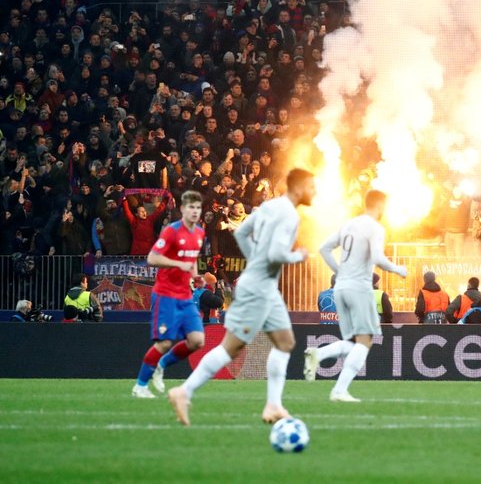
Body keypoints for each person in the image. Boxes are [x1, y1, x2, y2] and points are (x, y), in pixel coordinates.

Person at [168, 169, 316, 426]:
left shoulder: (269, 207)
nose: (315, 192)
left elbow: (240, 233)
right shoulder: (289, 215)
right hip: (259, 287)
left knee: (284, 341)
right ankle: (184, 391)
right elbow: (277, 254)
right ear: (299, 187)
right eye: (312, 186)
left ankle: (273, 405)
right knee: (232, 346)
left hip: (262, 284)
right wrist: (297, 257)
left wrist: (255, 260)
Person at [303, 190, 407, 402]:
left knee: (353, 342)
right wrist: (397, 269)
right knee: (365, 341)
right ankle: (339, 390)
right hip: (358, 288)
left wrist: (339, 271)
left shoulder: (349, 225)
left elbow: (324, 248)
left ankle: (319, 355)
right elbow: (377, 257)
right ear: (379, 206)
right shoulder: (375, 227)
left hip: (340, 288)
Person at [133, 190, 206, 399]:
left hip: (185, 295)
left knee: (197, 340)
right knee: (164, 343)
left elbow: (190, 260)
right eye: (190, 207)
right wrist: (177, 264)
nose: (194, 211)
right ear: (182, 209)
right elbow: (152, 258)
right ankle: (140, 386)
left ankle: (161, 365)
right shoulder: (172, 231)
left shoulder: (199, 234)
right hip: (165, 294)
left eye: (198, 208)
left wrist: (195, 275)